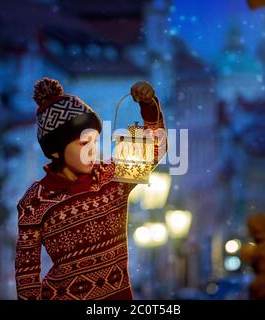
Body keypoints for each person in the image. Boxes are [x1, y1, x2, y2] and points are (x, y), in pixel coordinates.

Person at [15, 77, 167, 300]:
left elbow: (156, 149)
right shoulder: (34, 201)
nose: (92, 151)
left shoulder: (111, 176)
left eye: (95, 141)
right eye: (83, 143)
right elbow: (26, 276)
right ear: (56, 150)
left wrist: (149, 107)